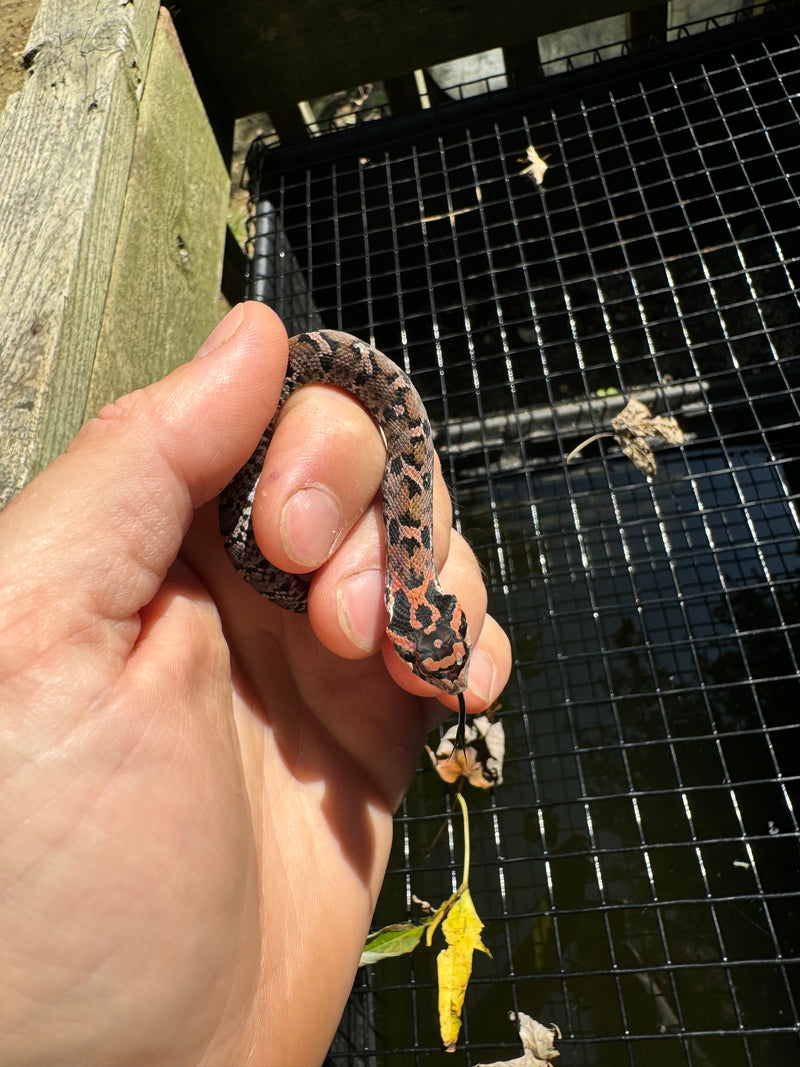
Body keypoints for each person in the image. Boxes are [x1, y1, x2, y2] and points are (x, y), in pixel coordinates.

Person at [0, 302, 511, 1066]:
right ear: (419, 612)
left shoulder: (385, 612)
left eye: (439, 660)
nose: (442, 678)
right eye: (437, 656)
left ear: (423, 611)